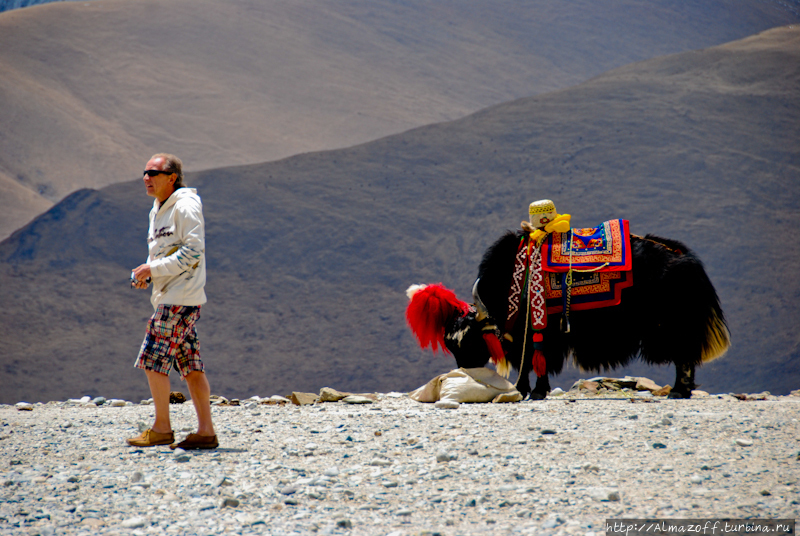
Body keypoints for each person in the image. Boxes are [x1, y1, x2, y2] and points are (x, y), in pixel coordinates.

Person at [126, 153, 218, 450]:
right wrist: (147, 273)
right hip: (171, 296)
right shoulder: (158, 210)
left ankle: (162, 428)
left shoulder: (186, 206)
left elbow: (193, 252)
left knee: (153, 359)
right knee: (190, 365)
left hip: (180, 298)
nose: (146, 178)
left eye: (153, 172)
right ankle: (206, 432)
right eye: (144, 172)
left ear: (171, 177)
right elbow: (166, 253)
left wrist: (152, 269)